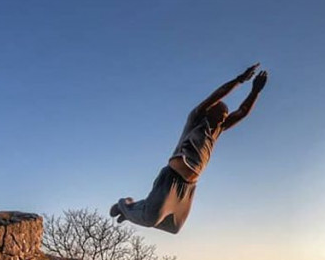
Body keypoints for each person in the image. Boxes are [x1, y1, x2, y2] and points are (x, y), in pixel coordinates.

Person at [110, 64, 268, 234]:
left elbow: (242, 112)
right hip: (173, 176)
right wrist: (239, 80)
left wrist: (255, 92)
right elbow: (216, 95)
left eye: (224, 118)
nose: (223, 119)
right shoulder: (196, 119)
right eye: (221, 115)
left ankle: (133, 212)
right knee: (151, 219)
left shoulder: (217, 131)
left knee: (173, 227)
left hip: (189, 185)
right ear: (210, 111)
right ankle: (125, 205)